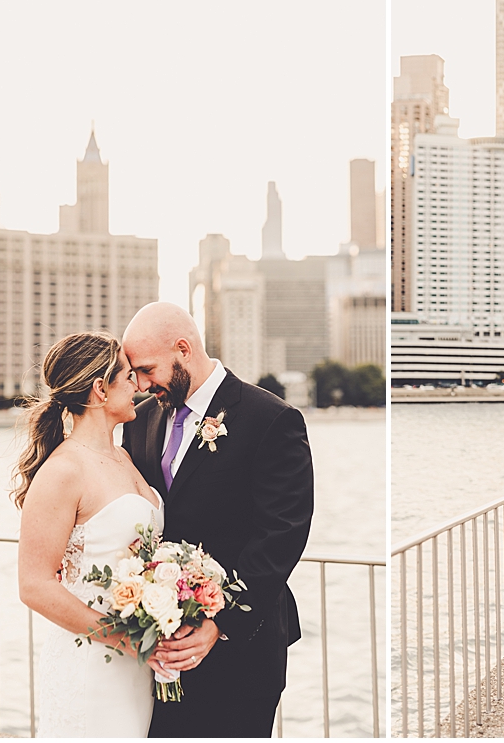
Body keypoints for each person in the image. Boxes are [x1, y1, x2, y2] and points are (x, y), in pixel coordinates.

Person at [120, 301, 314, 738]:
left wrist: (219, 623)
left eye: (148, 370)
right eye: (135, 374)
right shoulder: (142, 420)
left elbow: (282, 533)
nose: (142, 384)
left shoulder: (271, 419)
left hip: (242, 651)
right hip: (160, 648)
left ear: (183, 349)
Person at [16, 331, 166, 737]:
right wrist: (123, 639)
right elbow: (34, 585)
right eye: (129, 376)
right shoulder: (64, 470)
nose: (140, 385)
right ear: (101, 389)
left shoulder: (124, 456)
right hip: (93, 663)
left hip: (137, 663)